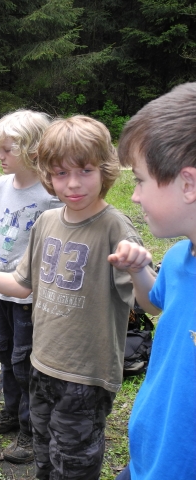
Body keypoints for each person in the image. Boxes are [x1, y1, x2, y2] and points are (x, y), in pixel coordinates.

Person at [0, 116, 155, 479]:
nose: (73, 183)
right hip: (41, 365)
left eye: (85, 171)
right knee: (44, 456)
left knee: (74, 463)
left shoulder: (115, 228)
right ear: (48, 174)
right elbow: (21, 284)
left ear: (106, 169)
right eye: (61, 174)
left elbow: (153, 303)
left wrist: (139, 268)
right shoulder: (47, 221)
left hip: (86, 378)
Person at [110, 82, 196, 480]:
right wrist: (138, 272)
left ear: (188, 184)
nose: (135, 197)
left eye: (140, 180)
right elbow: (154, 307)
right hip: (149, 456)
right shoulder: (180, 257)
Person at [0, 110, 63, 464]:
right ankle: (11, 413)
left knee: (25, 361)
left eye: (6, 150)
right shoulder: (1, 184)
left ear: (32, 150)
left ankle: (31, 433)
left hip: (29, 293)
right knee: (3, 352)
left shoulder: (49, 194)